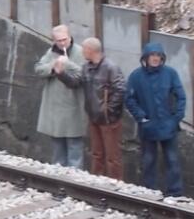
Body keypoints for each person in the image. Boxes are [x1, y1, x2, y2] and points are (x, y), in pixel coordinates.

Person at [126, 42, 187, 197]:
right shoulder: (136, 76)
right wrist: (141, 117)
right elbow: (129, 99)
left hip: (168, 125)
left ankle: (175, 193)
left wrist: (176, 117)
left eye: (158, 55)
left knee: (172, 160)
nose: (155, 58)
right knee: (148, 161)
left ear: (162, 58)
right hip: (148, 126)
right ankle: (150, 192)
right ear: (145, 57)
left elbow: (181, 96)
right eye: (152, 55)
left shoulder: (170, 73)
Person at [34, 25, 87, 168]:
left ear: (70, 37)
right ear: (54, 40)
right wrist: (53, 66)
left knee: (74, 146)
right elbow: (38, 69)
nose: (62, 43)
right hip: (55, 108)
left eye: (65, 39)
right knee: (58, 148)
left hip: (73, 106)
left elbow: (83, 74)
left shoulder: (80, 52)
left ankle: (75, 176)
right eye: (59, 41)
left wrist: (66, 64)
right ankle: (58, 176)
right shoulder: (51, 52)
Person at [80, 37, 126, 180]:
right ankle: (97, 182)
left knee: (113, 157)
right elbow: (76, 82)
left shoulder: (111, 67)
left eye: (84, 49)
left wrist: (109, 110)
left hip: (108, 119)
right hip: (94, 116)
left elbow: (121, 89)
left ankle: (115, 183)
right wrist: (61, 73)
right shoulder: (86, 67)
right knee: (96, 153)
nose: (82, 52)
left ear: (90, 50)